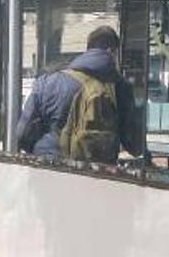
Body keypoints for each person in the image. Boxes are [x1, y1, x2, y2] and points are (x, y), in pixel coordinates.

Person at [16, 26, 142, 162]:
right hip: (98, 175)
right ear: (112, 52)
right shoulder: (120, 88)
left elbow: (22, 134)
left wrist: (42, 149)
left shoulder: (47, 82)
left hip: (49, 167)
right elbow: (134, 145)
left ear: (87, 49)